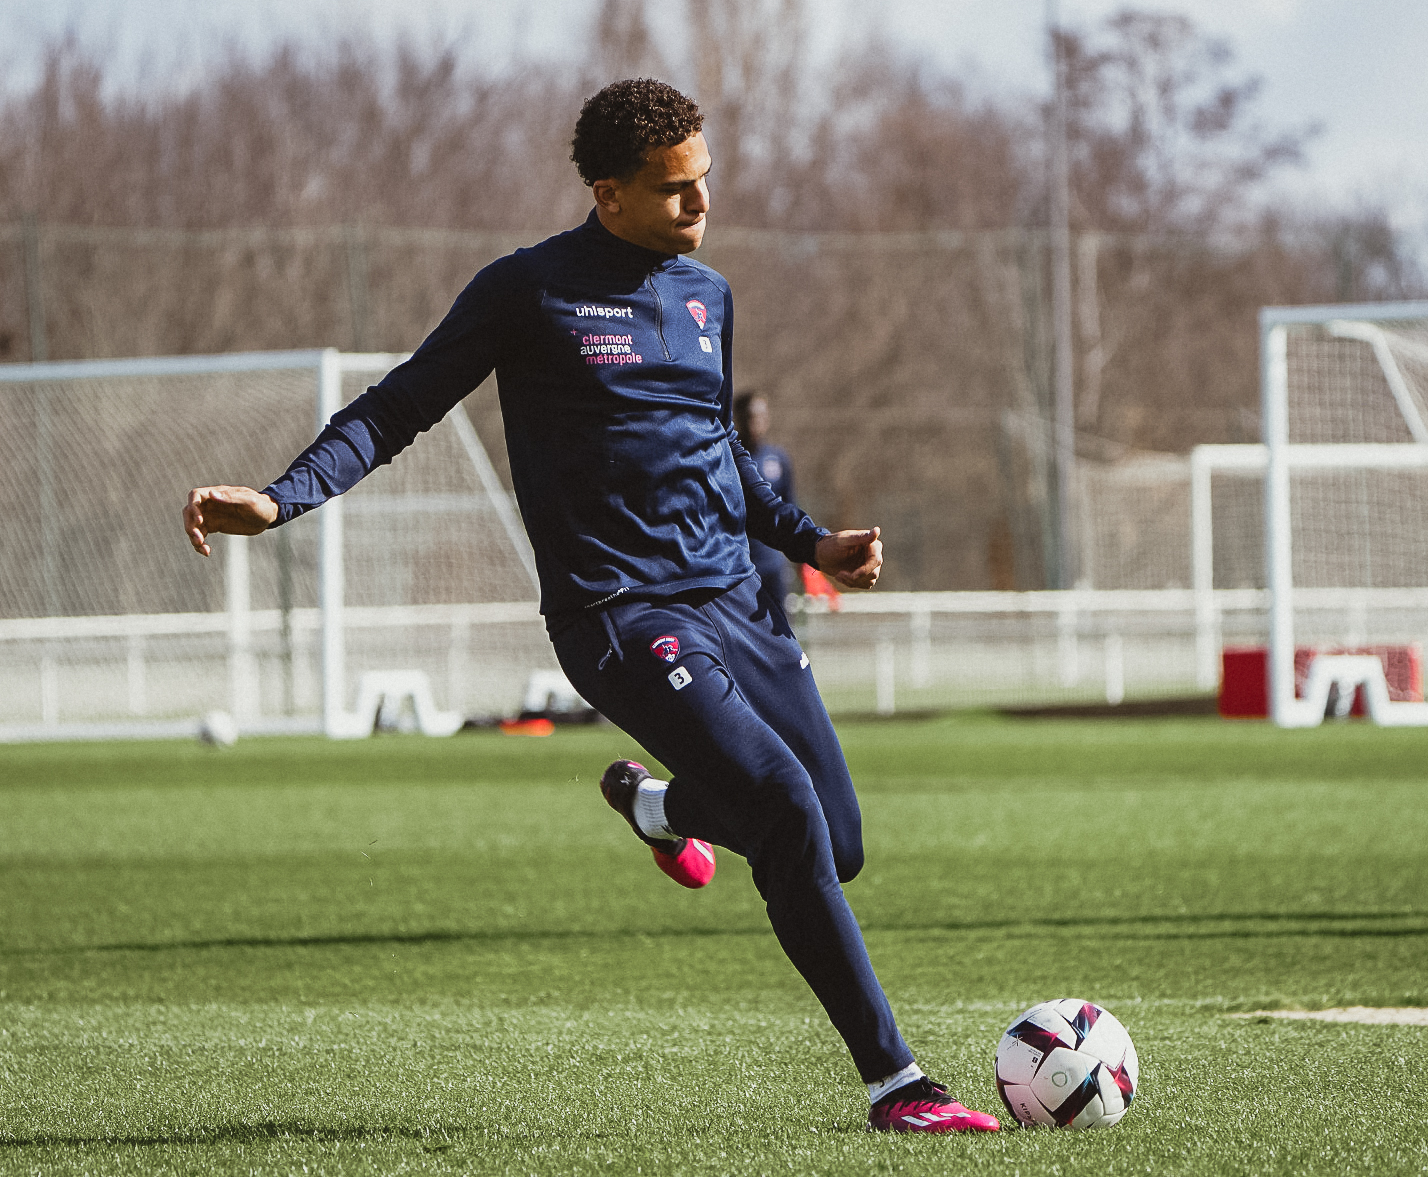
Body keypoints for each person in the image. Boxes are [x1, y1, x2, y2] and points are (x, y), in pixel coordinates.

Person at [181, 78, 998, 1135]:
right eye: (674, 191)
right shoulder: (529, 292)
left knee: (833, 844)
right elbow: (398, 406)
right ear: (607, 193)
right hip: (619, 614)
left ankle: (660, 809)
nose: (699, 206)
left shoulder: (706, 298)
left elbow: (722, 458)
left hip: (736, 607)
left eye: (704, 182)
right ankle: (900, 1087)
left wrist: (811, 543)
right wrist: (282, 497)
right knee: (784, 807)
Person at [733, 391, 796, 609]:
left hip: (773, 563)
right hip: (739, 562)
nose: (756, 422)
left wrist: (799, 557)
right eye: (751, 416)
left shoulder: (778, 458)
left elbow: (789, 508)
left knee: (779, 628)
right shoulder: (727, 458)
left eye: (761, 416)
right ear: (738, 417)